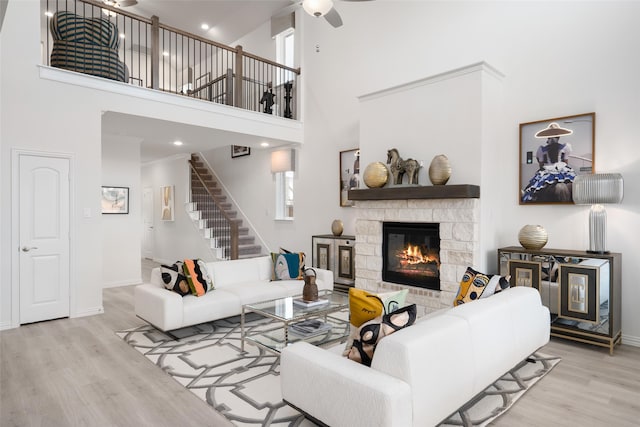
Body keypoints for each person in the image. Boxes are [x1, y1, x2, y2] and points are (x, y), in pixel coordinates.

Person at [521, 123, 576, 202]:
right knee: (577, 184)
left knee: (532, 189)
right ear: (559, 136)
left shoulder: (541, 150)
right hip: (563, 169)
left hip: (547, 170)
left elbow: (541, 165)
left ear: (548, 137)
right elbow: (566, 162)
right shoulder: (566, 147)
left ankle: (526, 198)